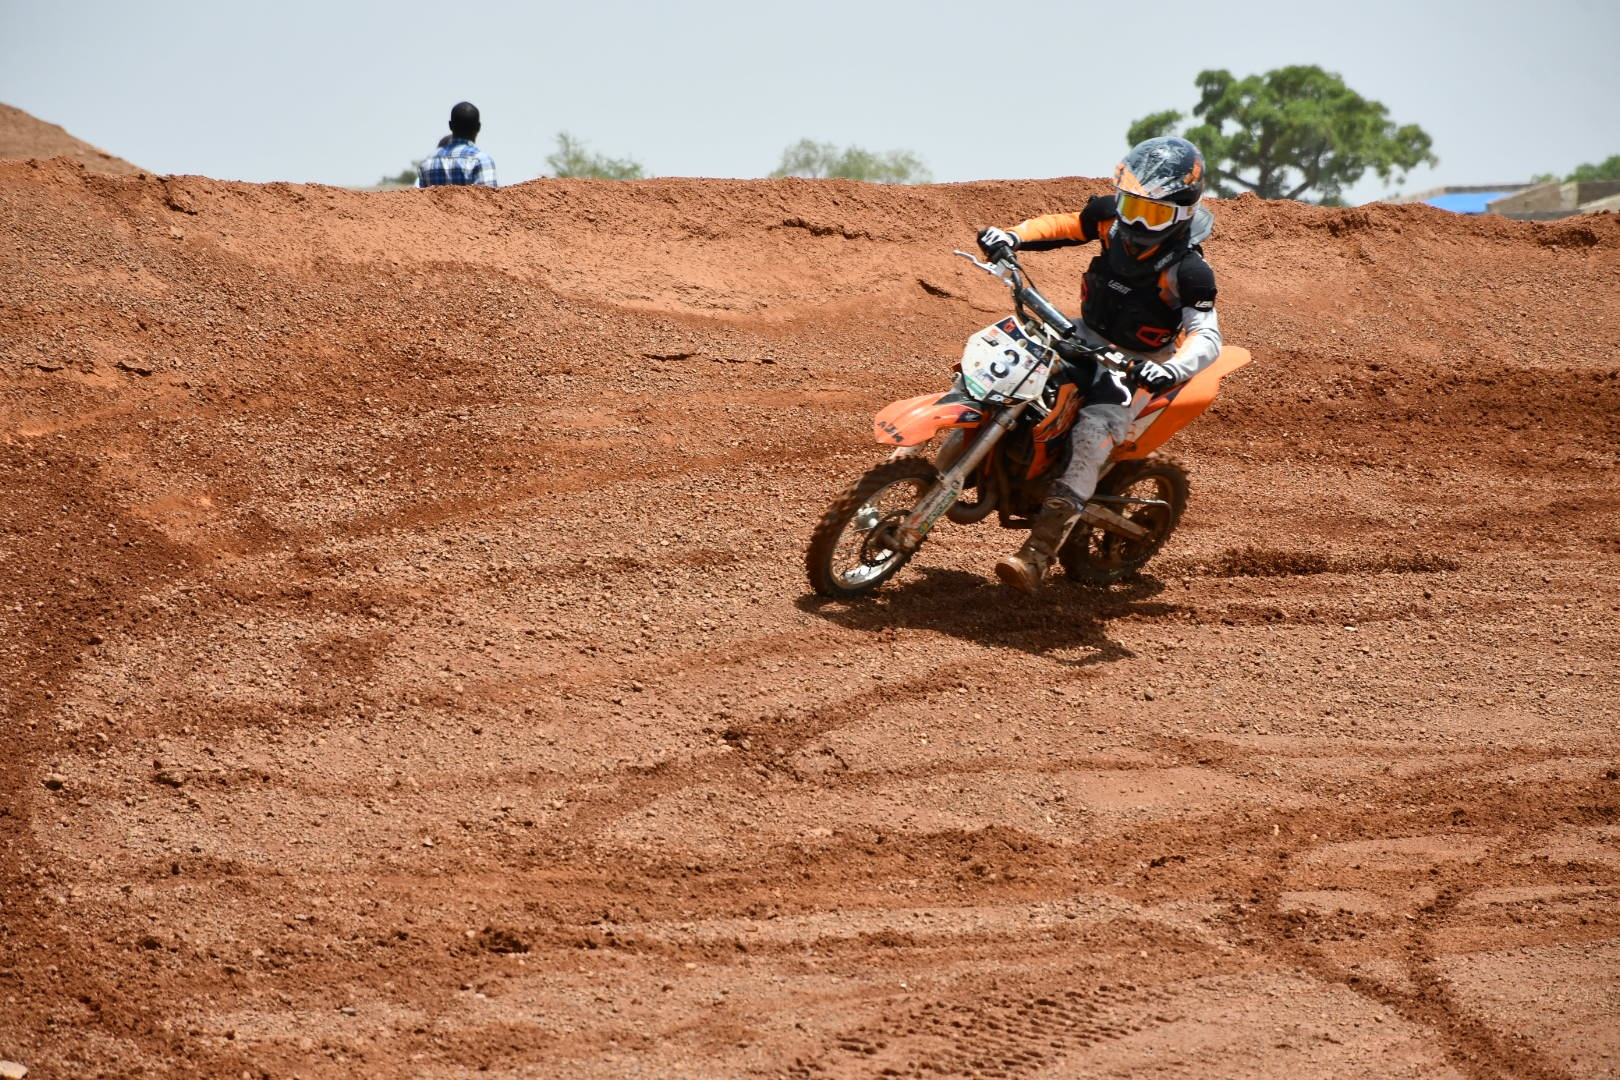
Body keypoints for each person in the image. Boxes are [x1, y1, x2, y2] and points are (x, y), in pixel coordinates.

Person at [974, 135, 1221, 594]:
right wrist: (1012, 235)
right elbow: (1065, 225)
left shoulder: (1188, 270)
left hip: (1136, 364)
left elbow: (1207, 335)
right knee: (1004, 365)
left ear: (1183, 212)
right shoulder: (1111, 218)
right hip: (1080, 333)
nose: (1135, 221)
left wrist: (1169, 369)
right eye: (1131, 205)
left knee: (1091, 435)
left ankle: (1038, 553)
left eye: (1153, 213)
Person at [416, 102, 498, 188]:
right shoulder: (481, 161)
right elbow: (489, 199)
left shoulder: (428, 162)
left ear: (450, 125)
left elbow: (421, 200)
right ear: (478, 127)